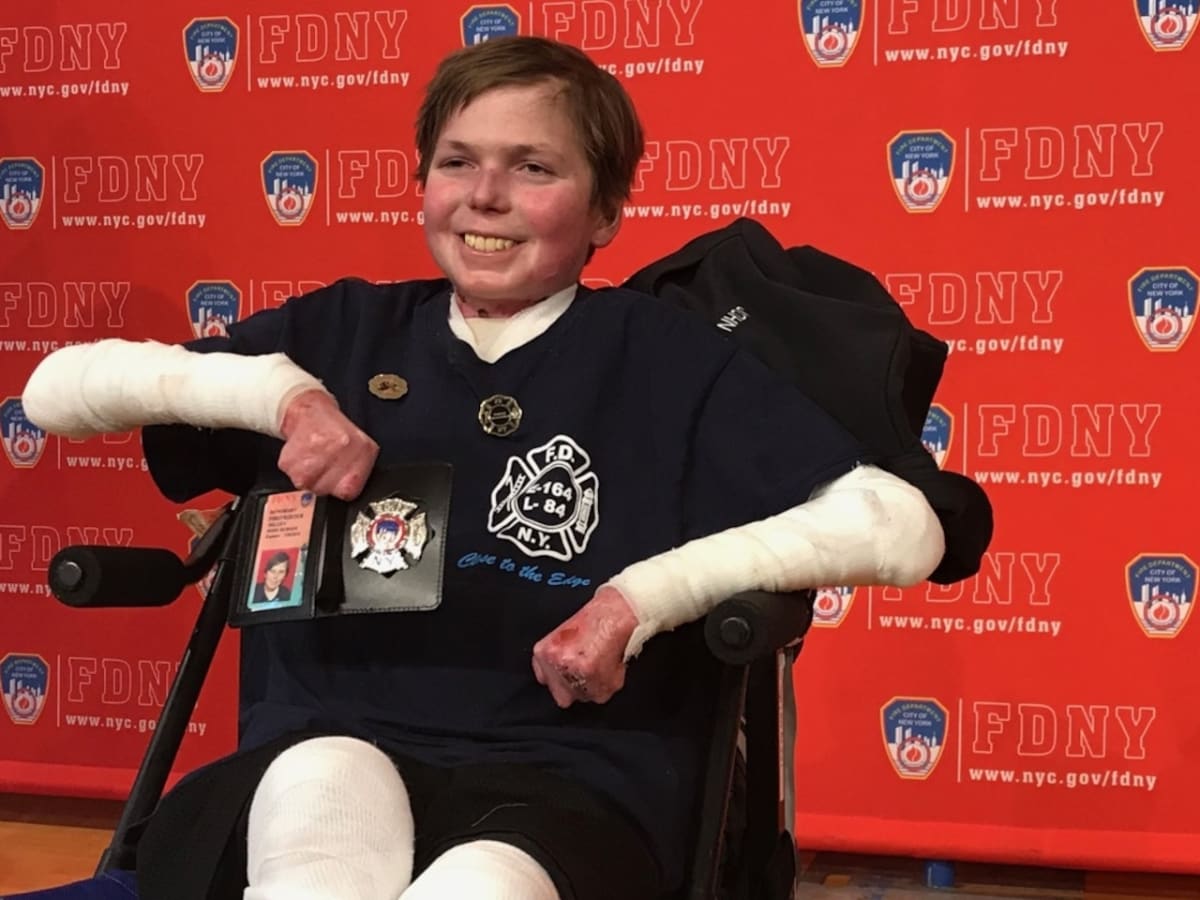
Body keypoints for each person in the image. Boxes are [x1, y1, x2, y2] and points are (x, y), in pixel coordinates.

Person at [21, 36, 945, 900]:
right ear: (422, 181)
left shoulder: (671, 362)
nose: (485, 195)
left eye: (534, 168)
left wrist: (645, 598)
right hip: (316, 747)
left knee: (483, 885)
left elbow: (901, 525)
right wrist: (283, 401)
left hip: (570, 780)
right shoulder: (340, 335)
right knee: (320, 784)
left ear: (607, 212)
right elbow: (55, 391)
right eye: (458, 162)